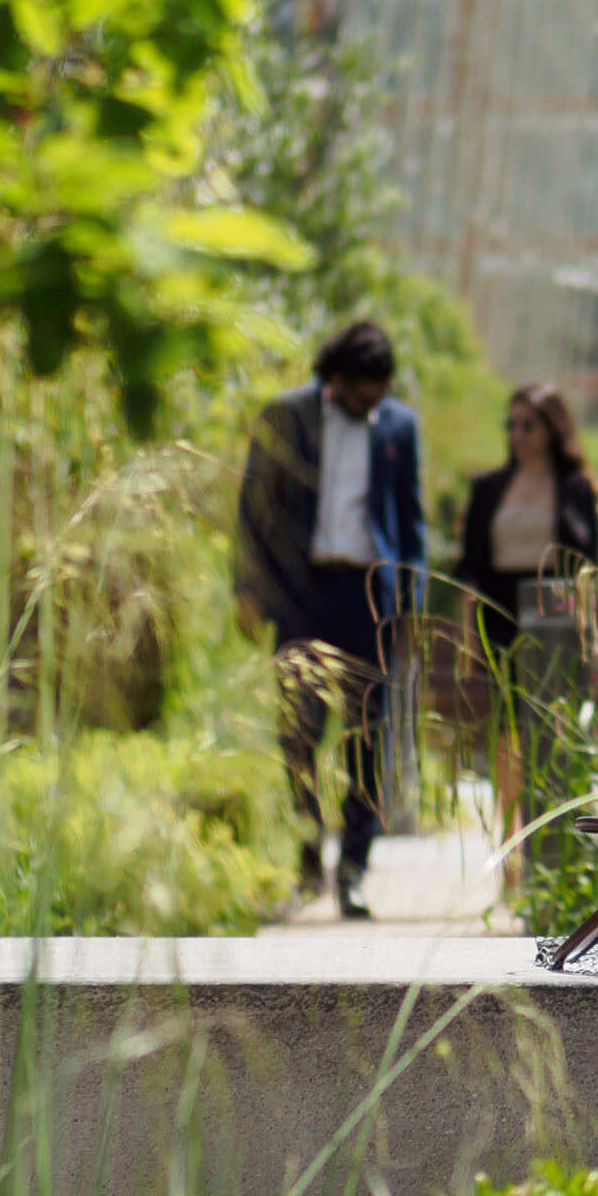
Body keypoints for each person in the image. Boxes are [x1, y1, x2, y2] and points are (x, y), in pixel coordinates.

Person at [235, 321, 426, 920]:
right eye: (363, 396)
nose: (373, 407)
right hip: (300, 593)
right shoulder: (286, 415)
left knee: (369, 738)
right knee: (298, 733)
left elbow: (411, 520)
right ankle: (307, 855)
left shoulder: (398, 424)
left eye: (380, 396)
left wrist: (412, 604)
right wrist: (247, 588)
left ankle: (353, 873)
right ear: (337, 379)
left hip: (371, 596)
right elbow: (252, 505)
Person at [456, 384, 598, 651]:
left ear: (552, 429)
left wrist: (594, 630)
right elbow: (470, 568)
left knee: (555, 691)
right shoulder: (487, 488)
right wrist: (468, 634)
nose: (517, 434)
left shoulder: (577, 489)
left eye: (528, 425)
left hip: (555, 606)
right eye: (511, 425)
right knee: (504, 691)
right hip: (498, 609)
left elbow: (590, 567)